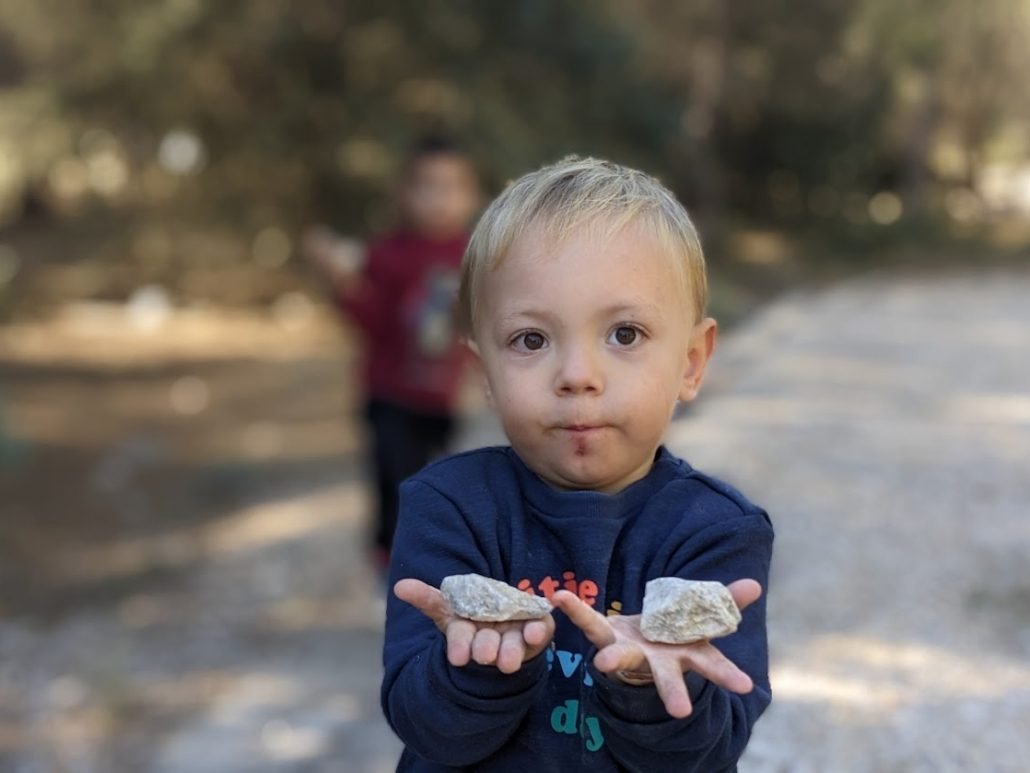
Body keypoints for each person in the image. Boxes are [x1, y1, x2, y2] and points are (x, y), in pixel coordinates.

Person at [380, 156, 774, 771]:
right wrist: (482, 669)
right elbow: (425, 727)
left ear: (692, 362)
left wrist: (648, 685)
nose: (578, 376)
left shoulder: (717, 532)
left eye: (624, 334)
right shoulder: (448, 508)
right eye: (531, 340)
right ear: (484, 373)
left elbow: (707, 751)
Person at [303, 137, 481, 569]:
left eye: (451, 187)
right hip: (390, 395)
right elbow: (372, 321)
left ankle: (428, 562)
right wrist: (343, 283)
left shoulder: (474, 255)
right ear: (404, 195)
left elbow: (484, 325)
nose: (439, 199)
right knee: (394, 481)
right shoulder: (388, 254)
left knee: (436, 483)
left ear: (471, 195)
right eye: (427, 187)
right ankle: (390, 567)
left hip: (442, 397)